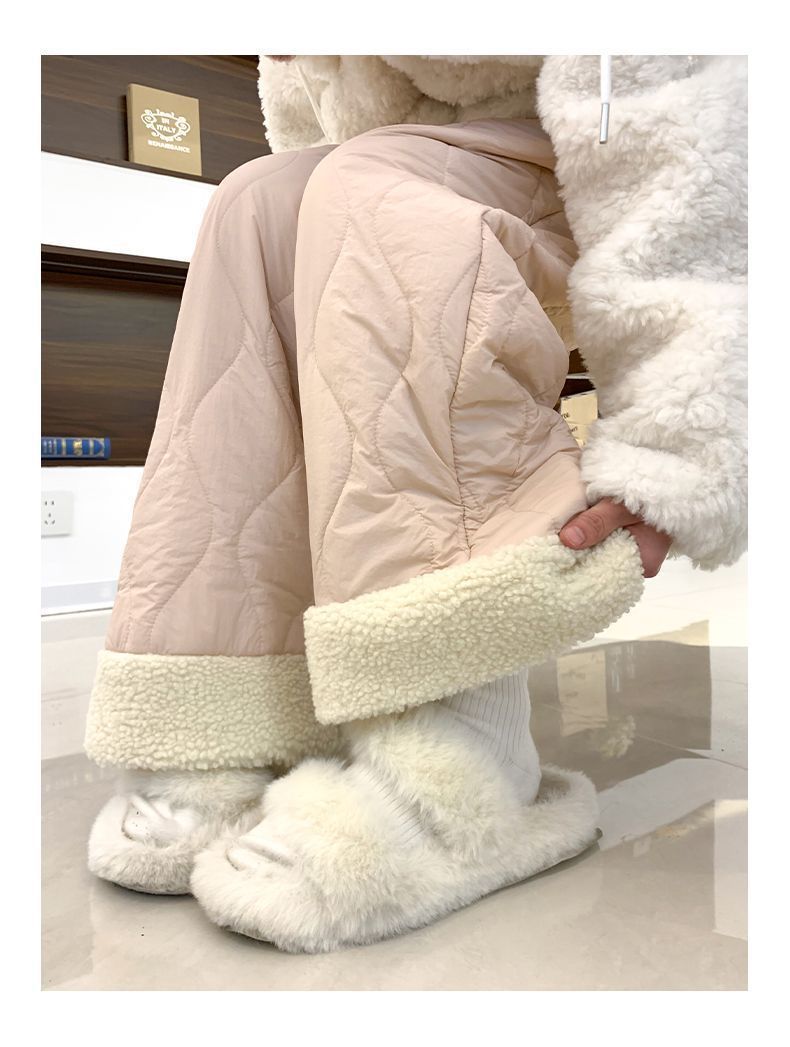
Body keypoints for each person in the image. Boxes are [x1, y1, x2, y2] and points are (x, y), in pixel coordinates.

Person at [84, 55, 747, 953]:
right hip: (446, 145)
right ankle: (248, 717)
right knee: (262, 201)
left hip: (618, 150)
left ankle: (466, 768)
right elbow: (317, 110)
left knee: (385, 195)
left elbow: (692, 115)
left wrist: (683, 440)